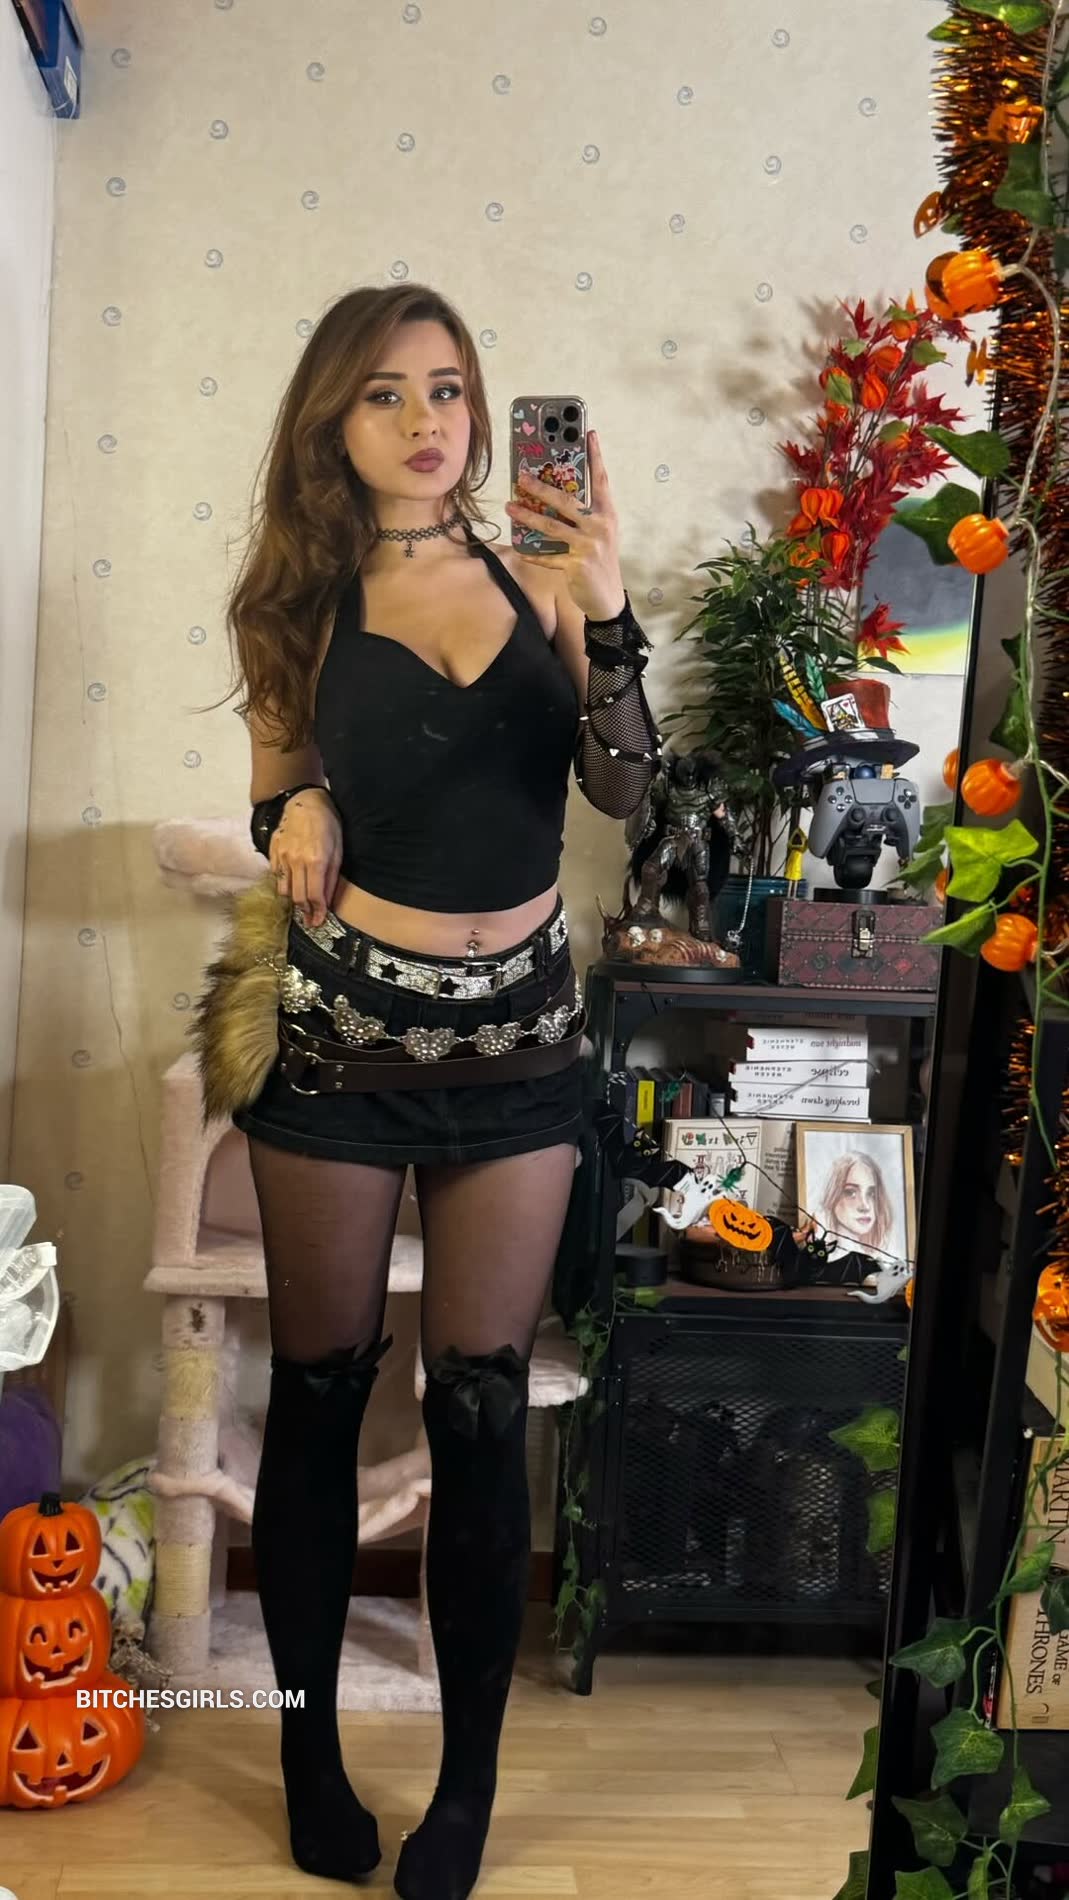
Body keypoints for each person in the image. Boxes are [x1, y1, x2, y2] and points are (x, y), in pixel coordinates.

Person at [204, 283, 661, 1900]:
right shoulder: (295, 603)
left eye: (448, 388)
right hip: (344, 1037)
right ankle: (307, 1759)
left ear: (483, 411)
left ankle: (464, 1794)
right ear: (332, 421)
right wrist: (299, 810)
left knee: (478, 1404)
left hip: (520, 1042)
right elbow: (273, 791)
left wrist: (605, 600)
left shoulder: (539, 573)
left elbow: (624, 786)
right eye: (384, 392)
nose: (423, 420)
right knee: (322, 1393)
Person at [816, 1150, 895, 1257]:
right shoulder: (822, 1248)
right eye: (850, 1193)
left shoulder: (877, 1255)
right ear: (832, 1195)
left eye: (871, 1193)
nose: (865, 1206)